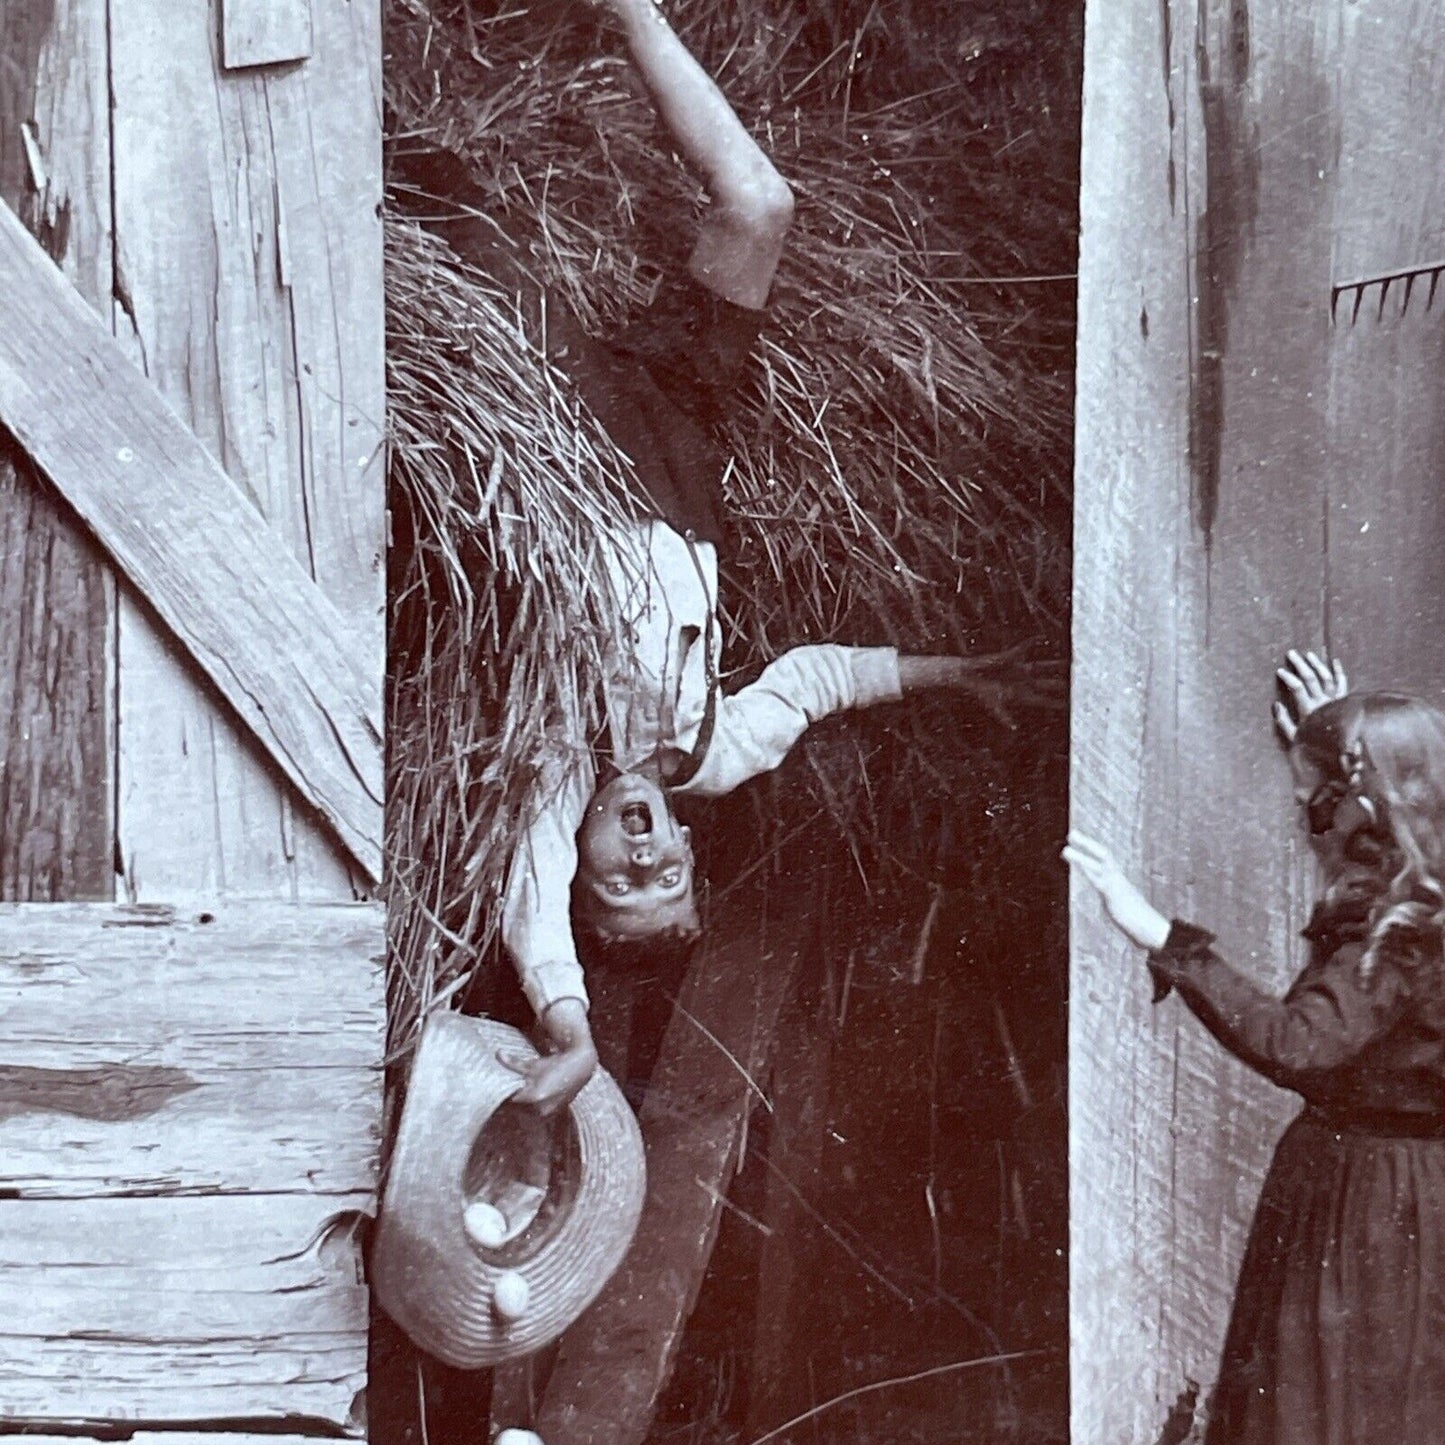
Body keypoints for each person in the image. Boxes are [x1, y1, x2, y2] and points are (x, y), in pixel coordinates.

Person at [1066, 650, 1445, 1445]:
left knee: (1320, 1408)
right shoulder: (1419, 903)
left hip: (1364, 1202)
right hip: (1409, 1192)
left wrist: (1165, 936)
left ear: (1361, 811)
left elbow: (1296, 1040)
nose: (1309, 829)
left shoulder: (1396, 937)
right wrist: (1330, 742)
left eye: (1315, 810)